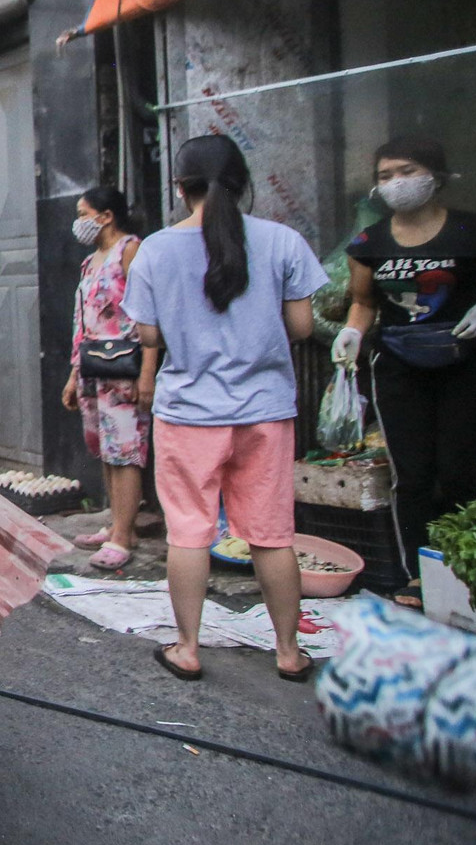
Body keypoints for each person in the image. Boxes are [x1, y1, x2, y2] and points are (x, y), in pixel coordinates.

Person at [123, 134, 329, 683]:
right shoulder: (283, 240)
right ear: (243, 184)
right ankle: (289, 652)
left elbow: (149, 334)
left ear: (179, 187)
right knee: (271, 534)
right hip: (266, 410)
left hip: (189, 413)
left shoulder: (155, 250)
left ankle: (187, 648)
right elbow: (302, 327)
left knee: (189, 532)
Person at [332, 137, 476, 608]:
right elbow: (364, 302)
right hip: (399, 367)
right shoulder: (370, 242)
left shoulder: (472, 230)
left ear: (435, 176)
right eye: (385, 176)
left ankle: (466, 573)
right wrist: (352, 332)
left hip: (467, 363)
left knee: (459, 470)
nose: (396, 183)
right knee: (412, 475)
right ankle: (419, 575)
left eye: (407, 171)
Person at [61, 187, 159, 569]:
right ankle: (119, 526)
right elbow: (82, 322)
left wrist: (147, 373)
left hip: (125, 367)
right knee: (106, 449)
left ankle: (122, 538)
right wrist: (74, 375)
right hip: (93, 367)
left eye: (83, 213)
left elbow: (147, 312)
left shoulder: (130, 250)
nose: (78, 222)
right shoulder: (90, 262)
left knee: (126, 451)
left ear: (106, 216)